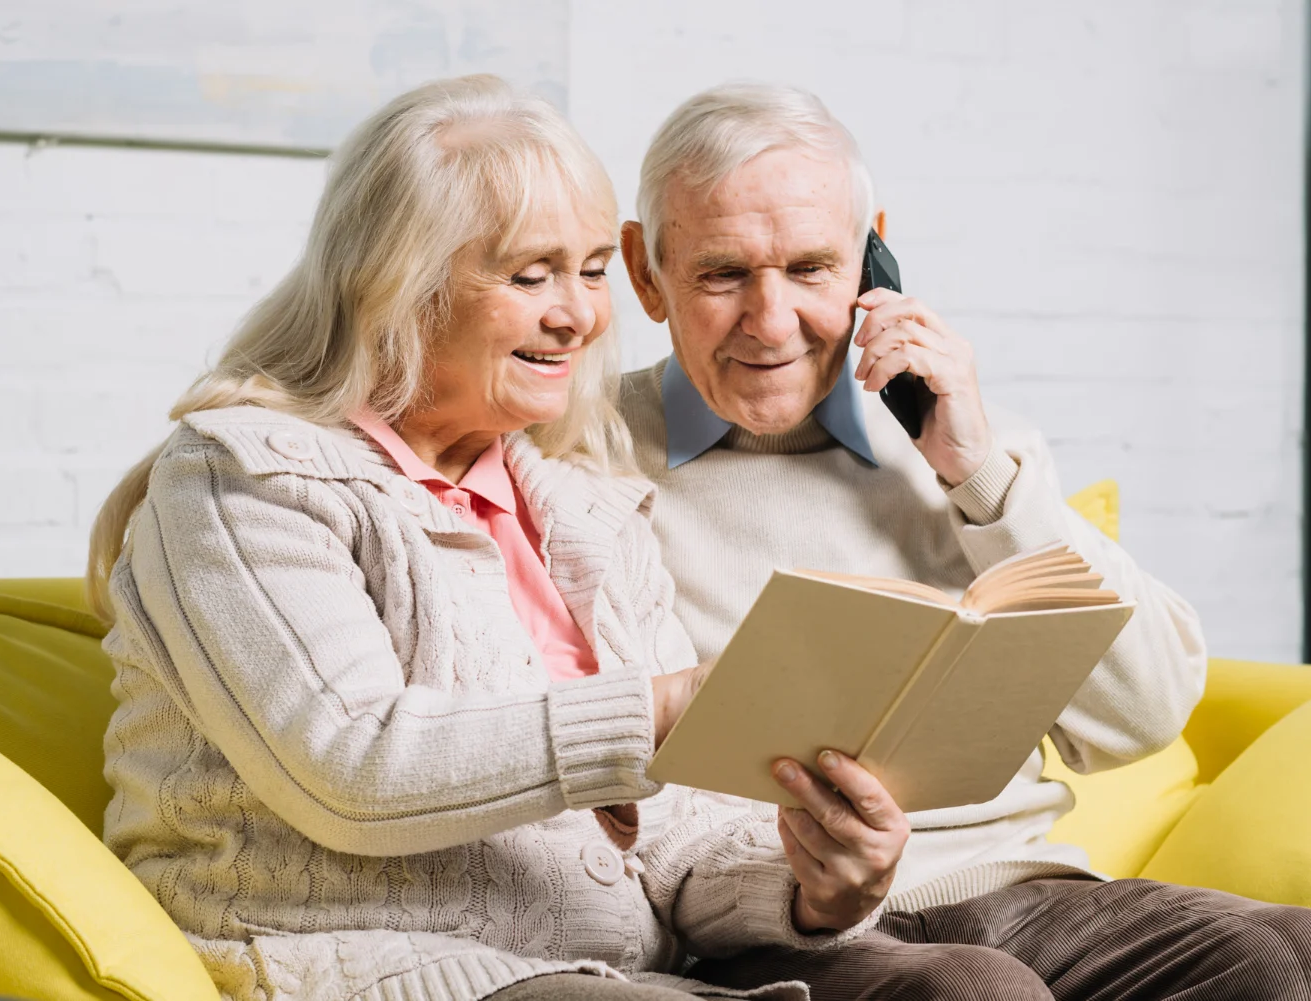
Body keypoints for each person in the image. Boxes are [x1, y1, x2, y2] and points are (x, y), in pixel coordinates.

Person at [85, 75, 912, 1001]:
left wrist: (813, 886)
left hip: (620, 974)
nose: (581, 315)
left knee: (967, 986)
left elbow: (678, 842)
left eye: (594, 269)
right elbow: (352, 765)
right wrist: (666, 705)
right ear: (396, 283)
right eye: (530, 275)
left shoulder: (582, 502)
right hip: (372, 963)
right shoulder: (241, 481)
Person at [615, 82, 1311, 999]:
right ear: (646, 271)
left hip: (1029, 892)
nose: (772, 320)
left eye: (811, 269)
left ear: (874, 252)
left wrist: (978, 471)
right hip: (783, 918)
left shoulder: (964, 440)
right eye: (723, 273)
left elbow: (1142, 715)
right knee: (976, 991)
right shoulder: (577, 463)